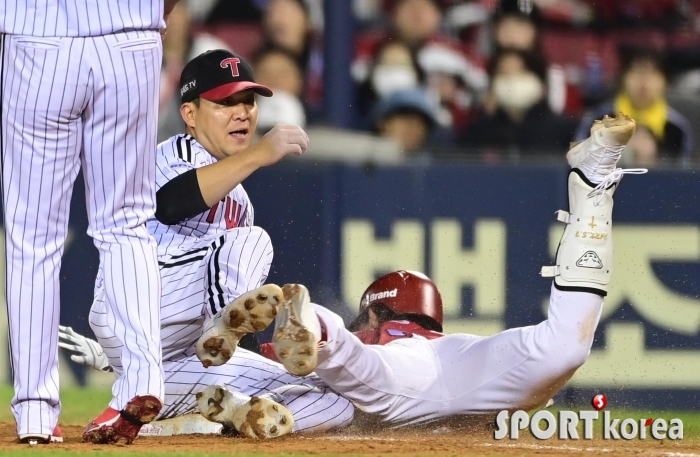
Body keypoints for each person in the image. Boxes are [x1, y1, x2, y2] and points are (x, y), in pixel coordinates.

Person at [261, 113, 648, 426]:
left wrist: (292, 347)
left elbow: (337, 362)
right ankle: (593, 184)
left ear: (376, 311)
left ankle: (311, 321)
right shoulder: (446, 344)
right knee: (565, 348)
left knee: (348, 356)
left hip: (411, 376)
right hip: (469, 366)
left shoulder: (387, 340)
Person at [65, 48, 353, 441]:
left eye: (248, 101)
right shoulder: (164, 156)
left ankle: (215, 419)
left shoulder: (241, 202)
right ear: (190, 114)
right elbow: (170, 204)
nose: (242, 112)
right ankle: (220, 331)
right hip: (133, 312)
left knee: (331, 398)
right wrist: (259, 154)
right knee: (252, 242)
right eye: (224, 103)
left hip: (182, 356)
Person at [0, 0, 182, 445]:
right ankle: (142, 382)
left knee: (33, 236)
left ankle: (35, 413)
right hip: (129, 37)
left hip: (36, 37)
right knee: (125, 224)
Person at [574, 48, 694, 167]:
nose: (644, 82)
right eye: (637, 72)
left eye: (652, 73)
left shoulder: (678, 129)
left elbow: (683, 178)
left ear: (665, 81)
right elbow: (578, 169)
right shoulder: (598, 120)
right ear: (623, 78)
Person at [457, 48, 577, 157]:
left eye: (521, 71)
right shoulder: (476, 133)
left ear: (540, 82)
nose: (512, 79)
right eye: (504, 73)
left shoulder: (565, 131)